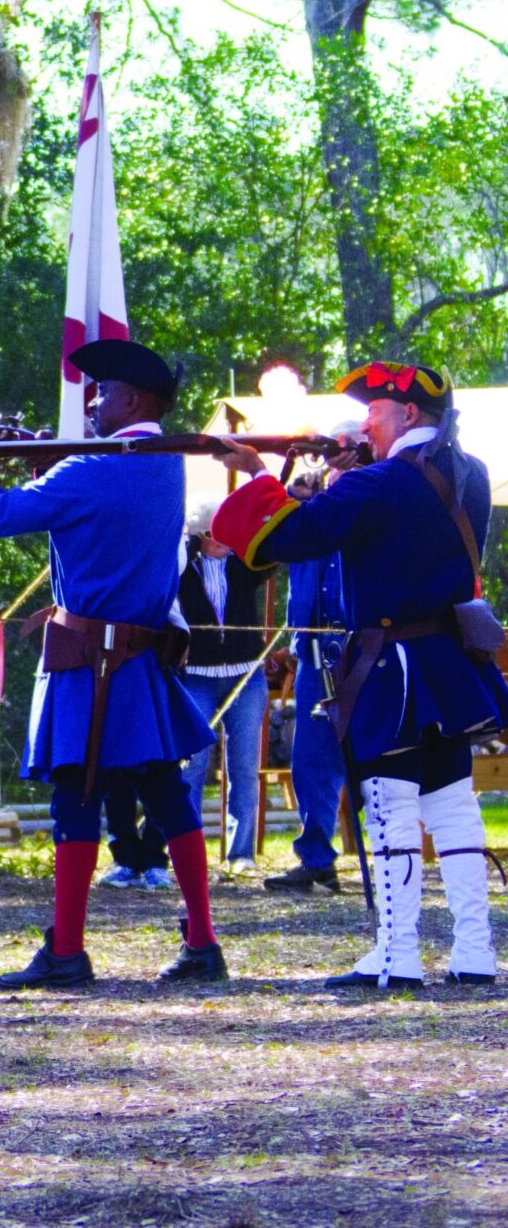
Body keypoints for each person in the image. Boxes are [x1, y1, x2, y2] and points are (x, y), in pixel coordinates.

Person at [0, 339, 225, 989]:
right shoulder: (164, 461)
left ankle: (68, 950)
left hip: (89, 662)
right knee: (165, 793)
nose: (95, 402)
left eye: (104, 393)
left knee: (75, 799)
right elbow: (95, 502)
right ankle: (202, 942)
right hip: (141, 656)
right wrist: (51, 459)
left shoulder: (92, 470)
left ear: (133, 399)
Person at [214, 362, 508, 987]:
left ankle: (399, 956)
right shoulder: (471, 473)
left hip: (392, 665)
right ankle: (474, 951)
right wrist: (343, 475)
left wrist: (259, 474)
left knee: (389, 807)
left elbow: (289, 537)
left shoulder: (376, 484)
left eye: (376, 409)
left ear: (408, 415)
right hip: (447, 660)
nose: (367, 419)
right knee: (453, 804)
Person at [263, 442, 358, 895]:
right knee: (311, 762)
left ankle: (395, 853)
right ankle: (318, 859)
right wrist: (291, 483)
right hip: (315, 650)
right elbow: (266, 518)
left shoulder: (372, 503)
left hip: (361, 645)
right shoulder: (305, 510)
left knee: (374, 757)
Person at [176, 507, 274, 875]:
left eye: (227, 534)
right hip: (196, 676)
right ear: (200, 535)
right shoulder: (183, 565)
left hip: (246, 677)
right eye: (214, 534)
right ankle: (188, 848)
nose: (223, 542)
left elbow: (271, 551)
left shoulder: (244, 565)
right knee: (193, 764)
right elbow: (168, 564)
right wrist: (189, 539)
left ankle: (241, 852)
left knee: (245, 765)